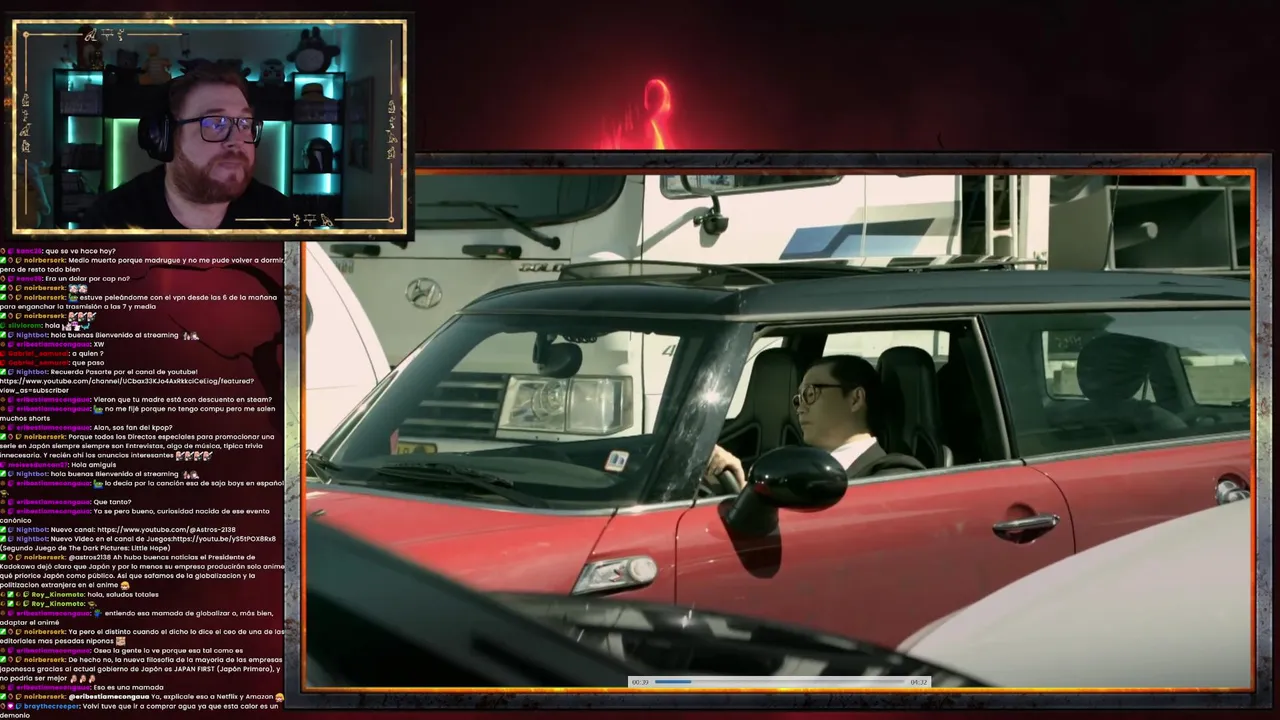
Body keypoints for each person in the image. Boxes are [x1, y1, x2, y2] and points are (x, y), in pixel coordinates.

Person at [79, 63, 289, 230]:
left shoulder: (282, 218)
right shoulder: (110, 222)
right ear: (165, 137)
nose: (237, 140)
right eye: (216, 123)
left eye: (244, 123)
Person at [704, 354, 925, 490]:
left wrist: (743, 493)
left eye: (810, 394)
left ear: (855, 399)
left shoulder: (894, 476)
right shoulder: (790, 464)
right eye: (798, 399)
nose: (800, 407)